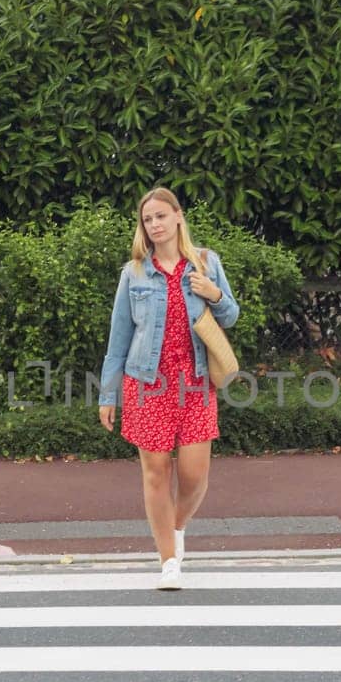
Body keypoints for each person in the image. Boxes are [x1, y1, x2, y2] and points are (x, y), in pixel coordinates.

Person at [98, 187, 240, 590]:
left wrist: (214, 294)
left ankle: (175, 527)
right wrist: (109, 395)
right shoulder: (135, 272)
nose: (155, 224)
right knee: (156, 474)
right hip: (146, 384)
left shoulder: (207, 263)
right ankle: (168, 560)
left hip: (195, 384)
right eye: (148, 219)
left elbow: (230, 316)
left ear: (179, 217)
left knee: (195, 476)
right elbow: (118, 339)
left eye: (161, 216)